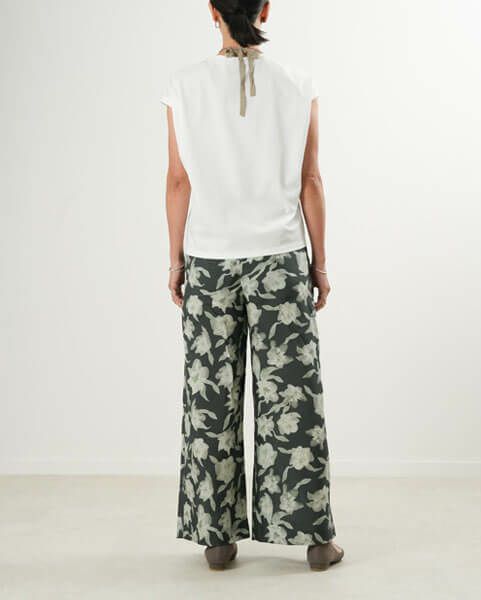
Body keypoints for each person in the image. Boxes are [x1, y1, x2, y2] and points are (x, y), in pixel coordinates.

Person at [161, 0, 344, 571]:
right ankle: (315, 541)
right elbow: (310, 180)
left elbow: (178, 181)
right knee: (293, 400)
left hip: (210, 261)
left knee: (210, 399)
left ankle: (216, 540)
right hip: (280, 260)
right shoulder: (297, 83)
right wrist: (319, 265)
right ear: (265, 8)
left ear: (211, 9)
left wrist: (176, 262)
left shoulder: (184, 85)